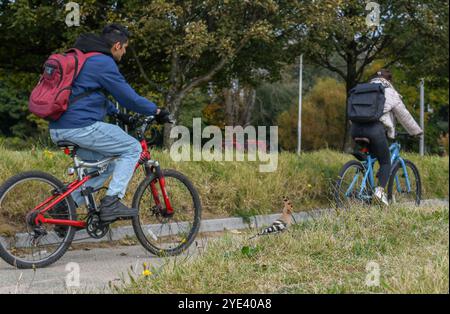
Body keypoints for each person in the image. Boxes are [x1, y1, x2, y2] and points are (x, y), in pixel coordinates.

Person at [49, 24, 169, 222]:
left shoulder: (85, 58)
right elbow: (129, 98)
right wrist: (156, 111)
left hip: (59, 127)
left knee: (109, 164)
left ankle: (66, 206)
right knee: (132, 148)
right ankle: (111, 203)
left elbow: (87, 95)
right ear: (117, 45)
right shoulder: (102, 62)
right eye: (125, 48)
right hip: (80, 126)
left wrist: (118, 115)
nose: (124, 52)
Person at [350, 69, 423, 205]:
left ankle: (366, 191)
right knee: (385, 162)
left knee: (370, 159)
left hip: (355, 129)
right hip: (375, 130)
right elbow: (404, 116)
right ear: (389, 80)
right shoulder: (390, 92)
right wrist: (416, 131)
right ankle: (380, 191)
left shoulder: (361, 91)